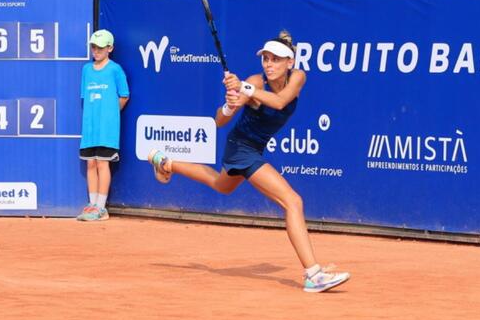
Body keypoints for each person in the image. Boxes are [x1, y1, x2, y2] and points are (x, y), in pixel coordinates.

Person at [147, 31, 350, 293]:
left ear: (290, 62)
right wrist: (231, 104)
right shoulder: (256, 81)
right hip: (241, 147)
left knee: (221, 184)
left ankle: (166, 163)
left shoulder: (297, 77)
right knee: (293, 201)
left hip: (253, 147)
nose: (269, 64)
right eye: (265, 58)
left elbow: (279, 103)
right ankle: (313, 274)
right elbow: (219, 121)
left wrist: (244, 88)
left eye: (275, 59)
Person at [77, 29, 130, 221]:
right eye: (93, 47)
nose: (96, 51)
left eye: (100, 47)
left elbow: (124, 95)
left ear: (110, 48)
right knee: (91, 163)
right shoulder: (86, 70)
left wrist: (110, 115)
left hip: (107, 129)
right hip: (90, 128)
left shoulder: (115, 69)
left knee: (102, 163)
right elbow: (86, 98)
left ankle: (101, 207)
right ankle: (92, 205)